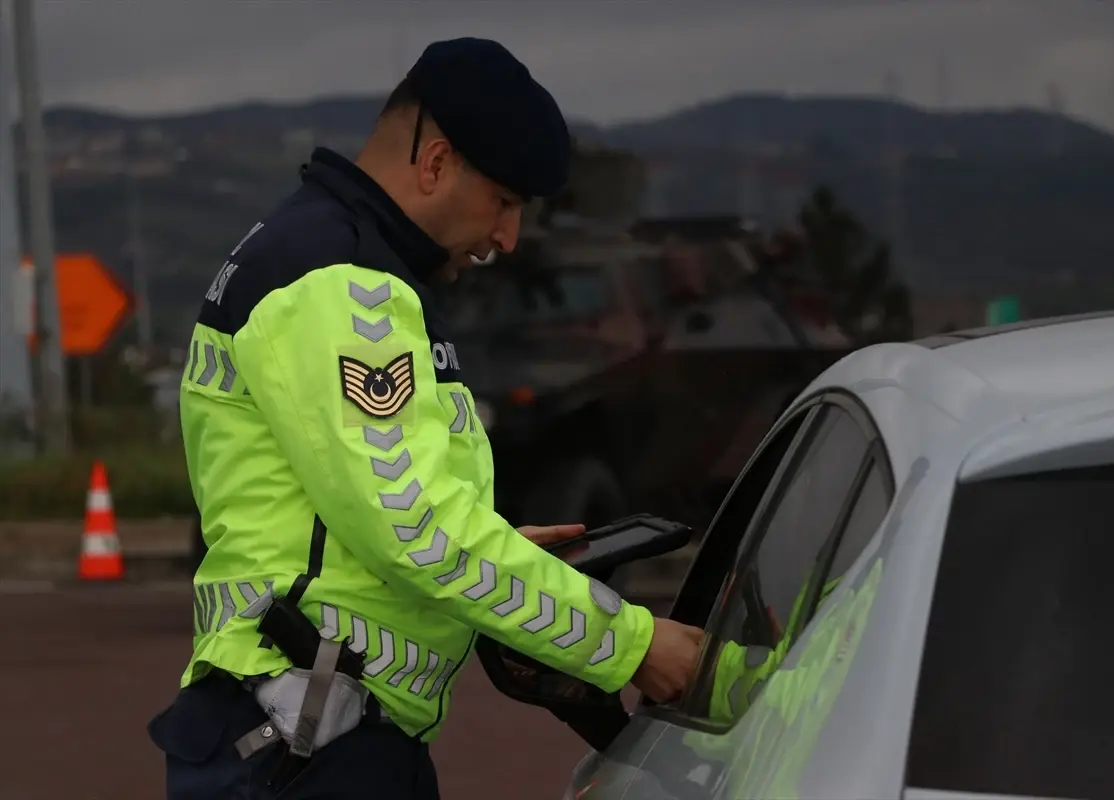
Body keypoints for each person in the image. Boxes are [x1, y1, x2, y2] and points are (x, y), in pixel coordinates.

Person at [148, 37, 704, 800]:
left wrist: (502, 553)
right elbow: (419, 529)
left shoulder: (326, 256)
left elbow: (353, 513)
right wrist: (632, 645)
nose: (508, 238)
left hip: (304, 729)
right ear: (436, 162)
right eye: (504, 202)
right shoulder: (340, 282)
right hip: (307, 745)